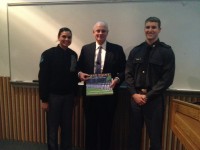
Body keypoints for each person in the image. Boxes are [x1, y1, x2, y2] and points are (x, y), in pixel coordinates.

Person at [125, 17, 175, 150]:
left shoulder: (166, 51)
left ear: (159, 30)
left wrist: (148, 96)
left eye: (153, 27)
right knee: (133, 136)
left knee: (155, 138)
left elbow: (167, 79)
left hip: (154, 100)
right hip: (135, 99)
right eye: (147, 27)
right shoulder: (136, 50)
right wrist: (134, 94)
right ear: (144, 29)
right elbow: (128, 74)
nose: (150, 30)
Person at [77, 21, 126, 150]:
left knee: (106, 129)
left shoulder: (117, 49)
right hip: (90, 96)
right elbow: (78, 67)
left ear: (107, 33)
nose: (100, 33)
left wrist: (117, 79)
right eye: (98, 30)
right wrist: (80, 74)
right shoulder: (86, 49)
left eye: (103, 31)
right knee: (90, 129)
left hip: (108, 96)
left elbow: (124, 70)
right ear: (93, 33)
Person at [38, 27, 78, 150]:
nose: (66, 39)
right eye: (64, 36)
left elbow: (74, 77)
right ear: (58, 37)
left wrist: (75, 96)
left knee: (67, 128)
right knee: (52, 128)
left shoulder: (73, 55)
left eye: (69, 37)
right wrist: (44, 100)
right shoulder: (48, 54)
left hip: (68, 97)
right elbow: (42, 78)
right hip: (53, 97)